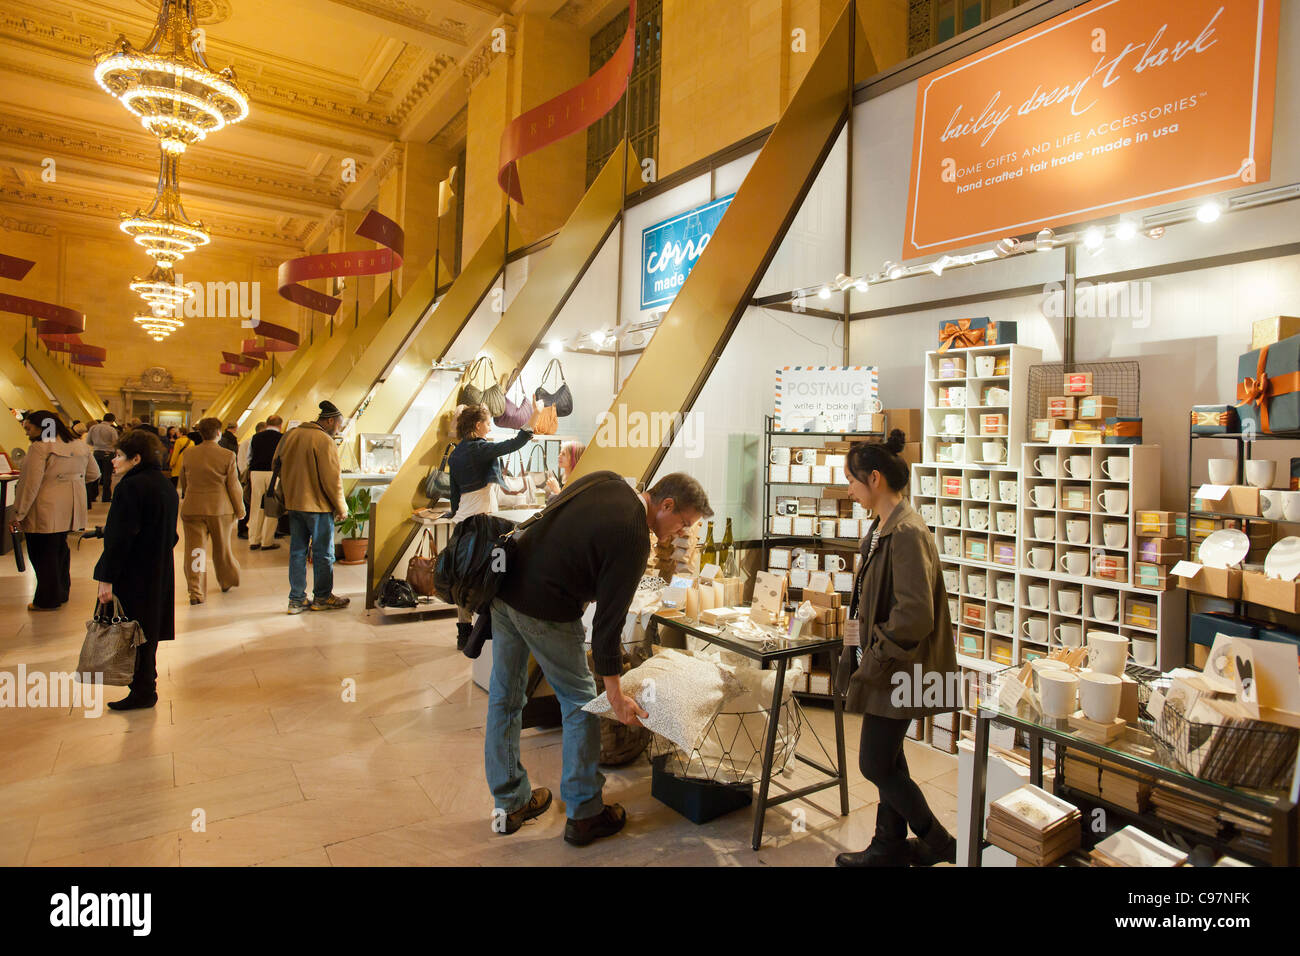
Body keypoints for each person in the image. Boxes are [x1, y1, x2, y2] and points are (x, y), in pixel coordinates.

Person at [489, 471, 712, 845]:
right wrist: (613, 695)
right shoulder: (634, 537)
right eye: (683, 523)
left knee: (505, 700)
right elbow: (608, 626)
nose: (681, 533)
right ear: (666, 505)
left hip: (506, 589)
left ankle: (510, 803)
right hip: (546, 608)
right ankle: (585, 813)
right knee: (581, 706)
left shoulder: (609, 482)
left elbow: (552, 517)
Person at [834, 430, 959, 868]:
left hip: (901, 669)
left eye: (852, 480)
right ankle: (888, 845)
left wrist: (874, 657)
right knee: (890, 758)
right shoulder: (881, 528)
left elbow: (915, 615)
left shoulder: (906, 533)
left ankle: (940, 843)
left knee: (874, 764)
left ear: (875, 478)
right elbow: (866, 598)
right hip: (888, 665)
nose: (849, 489)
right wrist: (852, 650)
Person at [94, 428, 178, 710]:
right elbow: (172, 534)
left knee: (133, 630)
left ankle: (142, 690)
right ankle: (146, 687)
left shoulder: (130, 487)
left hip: (135, 572)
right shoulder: (164, 485)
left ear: (136, 458)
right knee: (148, 631)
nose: (114, 461)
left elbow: (119, 539)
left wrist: (105, 578)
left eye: (119, 456)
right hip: (160, 569)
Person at [446, 404, 536, 649]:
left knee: (465, 579)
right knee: (494, 574)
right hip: (483, 523)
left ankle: (464, 632)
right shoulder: (480, 449)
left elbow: (454, 496)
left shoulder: (457, 453)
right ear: (477, 426)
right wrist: (530, 424)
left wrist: (455, 515)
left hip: (463, 521)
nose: (489, 427)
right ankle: (491, 627)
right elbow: (514, 444)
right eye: (487, 423)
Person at [11, 410, 99, 610]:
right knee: (59, 551)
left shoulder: (40, 448)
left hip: (44, 507)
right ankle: (61, 592)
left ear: (42, 426)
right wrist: (71, 482)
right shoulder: (79, 445)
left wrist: (18, 513)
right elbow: (94, 474)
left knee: (42, 554)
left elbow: (29, 484)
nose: (26, 432)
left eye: (29, 428)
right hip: (71, 507)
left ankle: (47, 599)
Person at [273, 400, 348, 614]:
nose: (339, 430)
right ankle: (322, 597)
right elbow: (332, 479)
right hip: (318, 506)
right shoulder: (324, 440)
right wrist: (341, 507)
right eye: (339, 425)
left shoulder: (291, 435)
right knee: (323, 553)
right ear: (330, 421)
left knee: (297, 552)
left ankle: (296, 600)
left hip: (294, 504)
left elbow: (275, 464)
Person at [178, 417, 245, 605]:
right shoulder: (227, 455)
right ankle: (226, 580)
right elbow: (234, 486)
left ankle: (196, 592)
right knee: (222, 548)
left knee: (195, 551)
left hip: (193, 508)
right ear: (219, 433)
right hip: (219, 509)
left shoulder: (189, 454)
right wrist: (240, 509)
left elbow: (184, 482)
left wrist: (189, 497)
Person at [245, 415, 283, 551]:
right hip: (274, 474)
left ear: (266, 424)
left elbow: (249, 457)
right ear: (280, 425)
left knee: (256, 506)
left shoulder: (255, 437)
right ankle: (267, 541)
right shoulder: (282, 438)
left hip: (256, 473)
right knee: (272, 507)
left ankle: (253, 539)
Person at [236, 421, 266, 540]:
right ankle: (242, 528)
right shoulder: (247, 442)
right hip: (248, 476)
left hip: (253, 475)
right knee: (247, 503)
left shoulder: (255, 442)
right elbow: (243, 460)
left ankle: (254, 529)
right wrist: (246, 475)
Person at [87, 413, 119, 504]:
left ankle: (92, 496)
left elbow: (88, 441)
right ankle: (106, 497)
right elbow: (115, 442)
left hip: (96, 452)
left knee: (95, 474)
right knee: (107, 476)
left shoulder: (93, 428)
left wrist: (97, 446)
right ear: (112, 420)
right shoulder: (111, 429)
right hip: (108, 453)